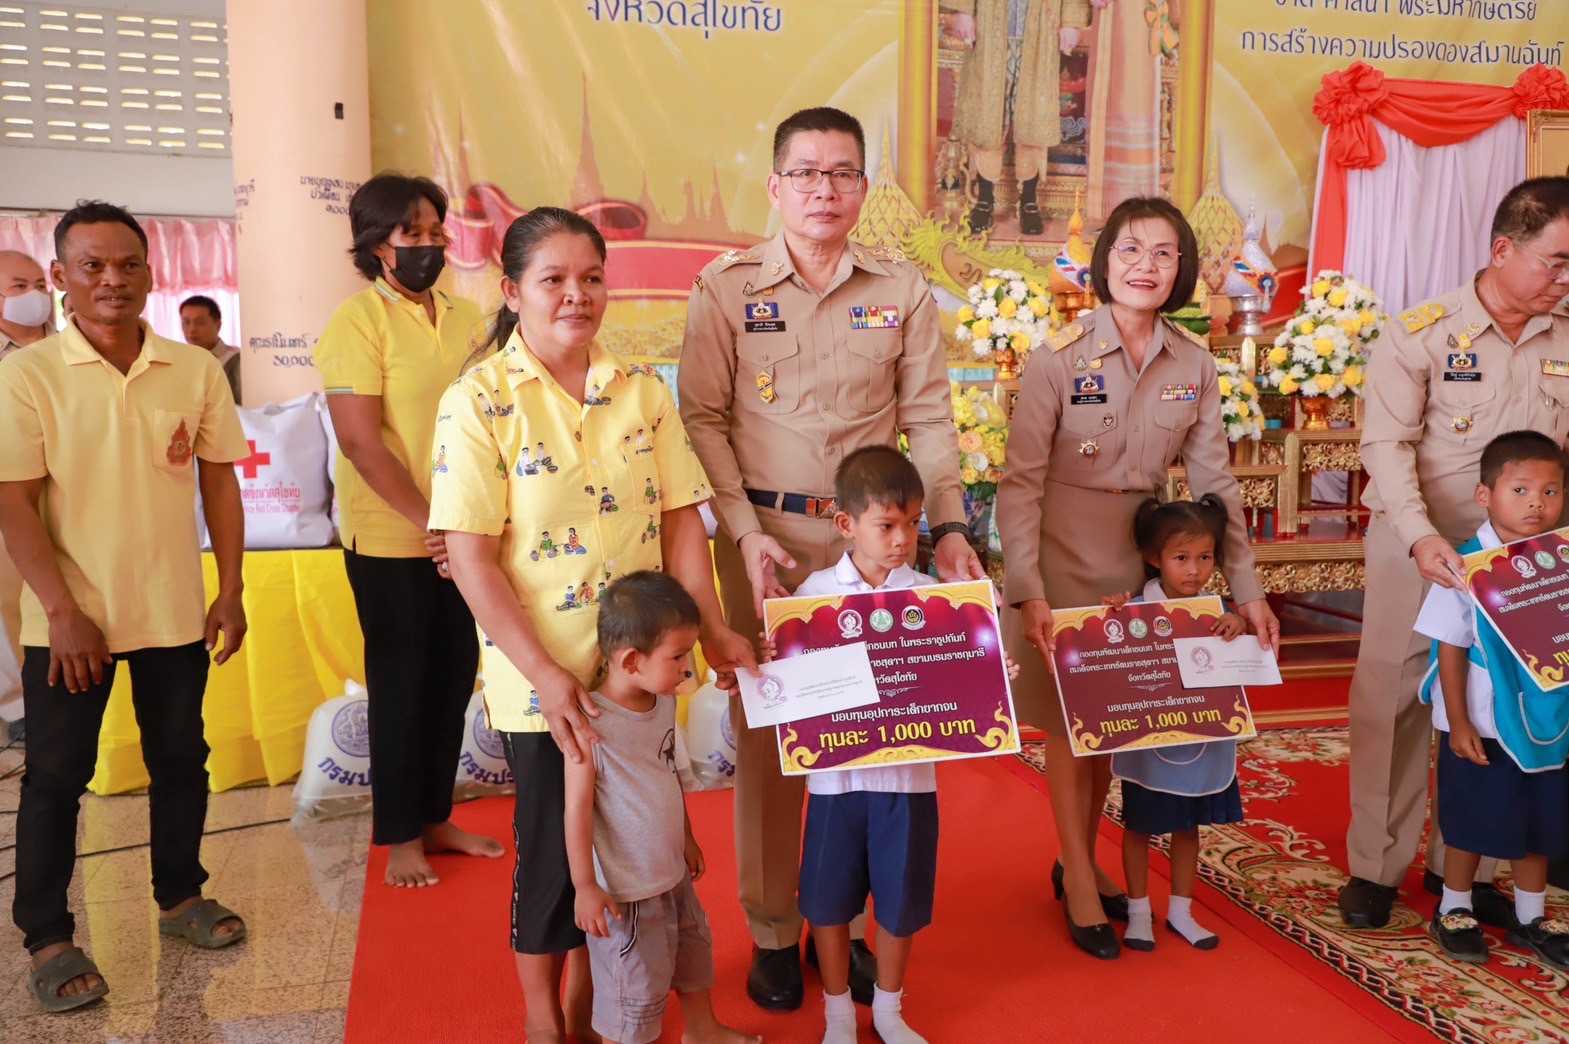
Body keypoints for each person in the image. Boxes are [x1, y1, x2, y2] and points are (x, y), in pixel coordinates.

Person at [679, 105, 981, 1012]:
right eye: (805, 172)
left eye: (842, 172)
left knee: (870, 738)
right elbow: (701, 419)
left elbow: (927, 418)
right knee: (774, 746)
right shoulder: (726, 288)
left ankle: (838, 928)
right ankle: (775, 929)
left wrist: (951, 526)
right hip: (766, 546)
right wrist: (742, 532)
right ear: (774, 187)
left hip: (876, 550)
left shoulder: (902, 290)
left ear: (862, 188)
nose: (823, 188)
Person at [430, 207, 755, 1043]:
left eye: (592, 278)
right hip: (545, 681)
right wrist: (544, 675)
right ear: (511, 291)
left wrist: (711, 630)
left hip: (640, 675)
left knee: (642, 846)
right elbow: (470, 556)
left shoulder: (641, 389)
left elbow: (684, 521)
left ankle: (598, 1007)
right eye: (553, 280)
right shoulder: (477, 401)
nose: (577, 295)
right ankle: (544, 1022)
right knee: (553, 858)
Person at [994, 196, 1278, 960]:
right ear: (1103, 262)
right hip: (1059, 549)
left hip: (1142, 554)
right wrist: (1027, 588)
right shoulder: (1058, 355)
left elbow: (1215, 486)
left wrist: (1243, 591)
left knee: (1115, 723)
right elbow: (1019, 483)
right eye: (1129, 249)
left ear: (1181, 270)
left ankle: (1076, 858)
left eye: (1162, 253)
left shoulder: (1194, 363)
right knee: (1067, 727)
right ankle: (1081, 878)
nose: (1144, 265)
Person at [0, 201, 250, 1012]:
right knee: (57, 779)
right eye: (93, 266)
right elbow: (13, 500)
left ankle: (179, 898)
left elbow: (218, 479)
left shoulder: (195, 369)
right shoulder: (27, 375)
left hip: (174, 611)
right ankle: (47, 935)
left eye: (129, 266)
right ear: (63, 277)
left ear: (151, 272)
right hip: (69, 620)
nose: (113, 280)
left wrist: (232, 589)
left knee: (183, 761)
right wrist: (62, 610)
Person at [1341, 177, 1569, 931]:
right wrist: (1420, 537)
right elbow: (1385, 445)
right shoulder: (1421, 333)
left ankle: (1465, 862)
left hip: (1522, 562)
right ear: (1502, 249)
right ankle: (1375, 866)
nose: (1564, 280)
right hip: (1419, 542)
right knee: (1397, 698)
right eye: (1555, 262)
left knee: (1503, 701)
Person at [765, 445, 1018, 1044]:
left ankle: (888, 1009)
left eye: (911, 523)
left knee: (900, 905)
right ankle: (834, 1015)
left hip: (908, 785)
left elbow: (961, 678)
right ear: (847, 525)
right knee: (827, 905)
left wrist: (990, 670)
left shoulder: (936, 598)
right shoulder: (814, 595)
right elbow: (792, 685)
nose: (902, 539)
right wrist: (769, 665)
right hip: (834, 785)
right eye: (886, 525)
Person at [313, 172, 502, 888]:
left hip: (465, 536)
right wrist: (434, 524)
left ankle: (434, 817)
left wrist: (467, 525)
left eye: (433, 231)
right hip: (395, 538)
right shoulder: (356, 322)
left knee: (452, 678)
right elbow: (362, 443)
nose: (427, 245)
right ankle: (398, 836)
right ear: (374, 245)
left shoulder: (463, 315)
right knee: (400, 684)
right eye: (410, 233)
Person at [566, 571, 760, 1044]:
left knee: (692, 952)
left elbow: (667, 771)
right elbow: (576, 808)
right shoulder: (590, 723)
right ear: (631, 659)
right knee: (635, 984)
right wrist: (584, 885)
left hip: (670, 872)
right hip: (627, 891)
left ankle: (702, 1028)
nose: (688, 668)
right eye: (678, 656)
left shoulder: (662, 702)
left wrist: (688, 838)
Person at [1413, 430, 1569, 969]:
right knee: (1475, 816)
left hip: (1546, 718)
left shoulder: (1559, 561)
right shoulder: (1463, 566)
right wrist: (1457, 721)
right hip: (1481, 719)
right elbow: (1449, 647)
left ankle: (1531, 916)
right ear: (1485, 496)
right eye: (1522, 490)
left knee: (1541, 820)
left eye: (1551, 492)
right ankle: (1454, 908)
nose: (1537, 503)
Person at [1106, 495, 1250, 953]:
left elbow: (1240, 650)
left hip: (1203, 741)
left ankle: (1182, 911)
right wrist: (1112, 614)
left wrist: (1238, 623)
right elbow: (1106, 650)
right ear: (1154, 558)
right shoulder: (1137, 608)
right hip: (1149, 743)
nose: (1194, 569)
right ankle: (1138, 911)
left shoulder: (1215, 607)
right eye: (1181, 558)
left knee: (1189, 828)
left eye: (1204, 557)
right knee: (1140, 826)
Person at [943, 0, 1094, 235]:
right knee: (988, 116)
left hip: (1041, 28)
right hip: (989, 25)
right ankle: (985, 199)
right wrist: (963, 10)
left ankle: (1029, 201)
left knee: (1033, 117)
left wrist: (1071, 21)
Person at [0, 249, 53, 740]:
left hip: (76, 494)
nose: (36, 295)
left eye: (40, 284)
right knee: (16, 602)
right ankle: (27, 710)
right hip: (11, 499)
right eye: (19, 287)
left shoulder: (76, 346)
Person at [180, 294, 241, 405]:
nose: (192, 329)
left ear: (217, 325)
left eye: (200, 322)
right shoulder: (177, 359)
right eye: (186, 322)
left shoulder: (236, 359)